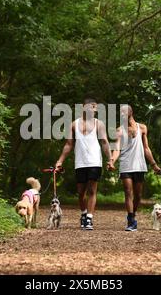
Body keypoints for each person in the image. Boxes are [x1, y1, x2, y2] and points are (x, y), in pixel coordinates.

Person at [55, 98, 113, 230]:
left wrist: (110, 159)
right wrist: (60, 161)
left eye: (95, 107)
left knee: (92, 190)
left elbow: (104, 142)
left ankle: (89, 219)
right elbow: (69, 144)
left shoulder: (99, 124)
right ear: (83, 107)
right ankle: (83, 213)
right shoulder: (74, 124)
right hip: (80, 162)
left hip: (94, 162)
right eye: (92, 106)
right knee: (81, 192)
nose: (94, 109)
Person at [110, 104, 161, 231]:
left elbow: (146, 148)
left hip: (139, 165)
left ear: (130, 112)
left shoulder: (142, 128)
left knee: (138, 195)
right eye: (120, 113)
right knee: (128, 192)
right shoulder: (120, 130)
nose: (121, 114)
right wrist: (111, 161)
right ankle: (131, 219)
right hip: (126, 164)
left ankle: (133, 214)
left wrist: (154, 165)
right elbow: (116, 148)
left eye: (123, 112)